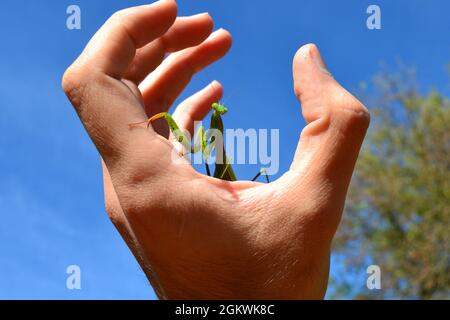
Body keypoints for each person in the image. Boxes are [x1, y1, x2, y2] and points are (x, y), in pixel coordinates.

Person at [62, 0, 370, 299]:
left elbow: (210, 155)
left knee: (252, 169)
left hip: (227, 183)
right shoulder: (209, 134)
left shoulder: (215, 129)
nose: (217, 111)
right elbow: (204, 151)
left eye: (218, 112)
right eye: (218, 111)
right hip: (220, 178)